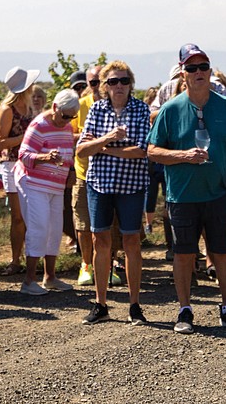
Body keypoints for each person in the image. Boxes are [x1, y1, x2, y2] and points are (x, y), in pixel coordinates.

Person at [147, 43, 226, 334]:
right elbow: (153, 151)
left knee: (223, 253)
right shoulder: (170, 110)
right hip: (182, 196)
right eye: (191, 68)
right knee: (184, 254)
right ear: (183, 74)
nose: (198, 72)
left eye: (203, 66)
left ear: (210, 71)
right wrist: (183, 156)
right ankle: (184, 310)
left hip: (220, 194)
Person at [77, 62, 152, 324]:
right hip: (100, 184)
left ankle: (134, 305)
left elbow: (141, 150)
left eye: (123, 81)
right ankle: (101, 304)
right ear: (105, 86)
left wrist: (104, 148)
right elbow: (81, 150)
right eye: (112, 82)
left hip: (131, 185)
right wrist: (109, 138)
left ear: (131, 83)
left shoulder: (142, 109)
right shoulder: (96, 109)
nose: (118, 86)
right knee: (100, 242)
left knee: (131, 242)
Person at [17, 89, 79, 296]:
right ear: (55, 108)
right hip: (34, 183)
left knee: (54, 229)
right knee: (39, 227)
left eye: (72, 116)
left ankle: (49, 277)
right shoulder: (38, 126)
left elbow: (68, 154)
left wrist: (70, 171)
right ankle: (29, 280)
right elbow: (23, 156)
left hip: (56, 185)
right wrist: (45, 158)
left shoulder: (67, 127)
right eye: (65, 115)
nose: (68, 120)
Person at [0, 67, 40, 275]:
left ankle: (29, 257)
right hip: (12, 164)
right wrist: (26, 139)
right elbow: (0, 143)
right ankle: (15, 259)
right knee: (18, 216)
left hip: (29, 164)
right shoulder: (7, 109)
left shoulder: (30, 108)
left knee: (29, 214)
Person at [71, 64, 104, 287]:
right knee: (83, 222)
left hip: (109, 174)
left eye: (103, 81)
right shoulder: (80, 105)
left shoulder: (117, 106)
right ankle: (86, 264)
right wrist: (84, 137)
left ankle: (109, 264)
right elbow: (67, 134)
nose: (98, 87)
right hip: (83, 172)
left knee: (109, 224)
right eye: (93, 82)